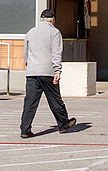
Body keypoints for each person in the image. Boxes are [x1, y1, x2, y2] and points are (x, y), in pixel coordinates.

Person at [20, 9, 77, 138]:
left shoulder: (31, 32)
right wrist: (57, 71)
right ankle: (63, 124)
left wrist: (30, 66)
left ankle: (25, 130)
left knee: (30, 102)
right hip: (47, 72)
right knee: (55, 99)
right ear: (52, 20)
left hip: (32, 73)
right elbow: (56, 53)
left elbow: (25, 54)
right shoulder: (54, 32)